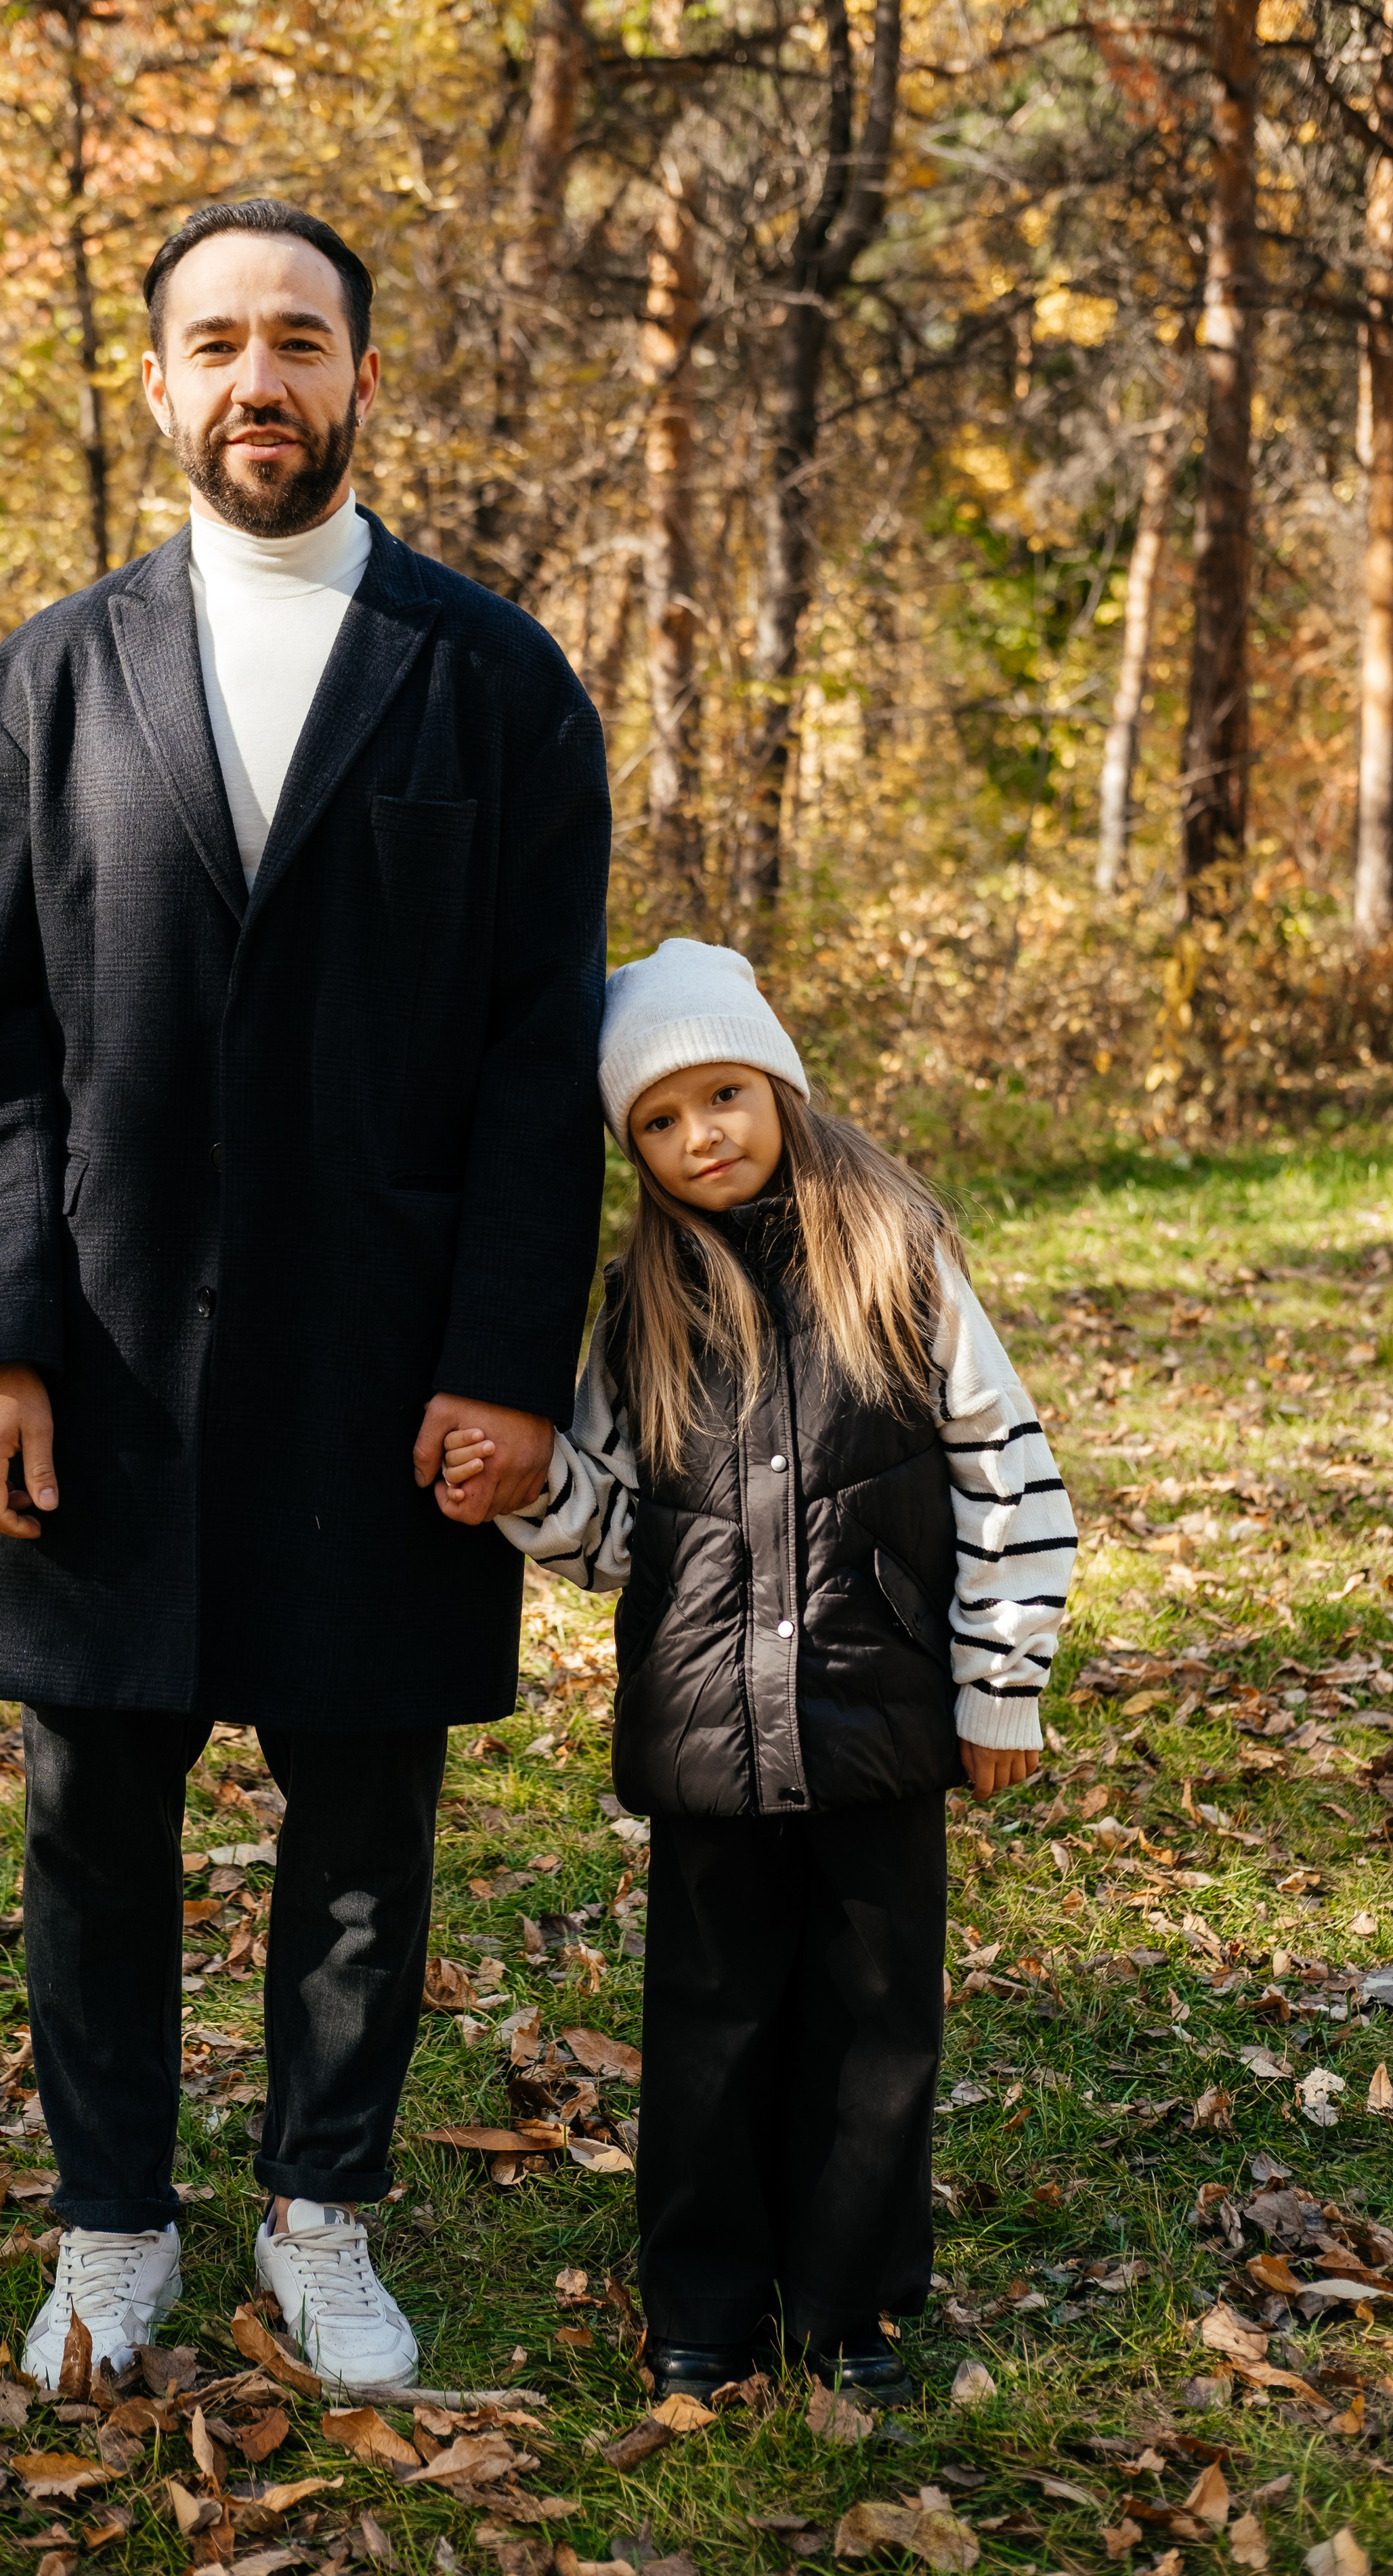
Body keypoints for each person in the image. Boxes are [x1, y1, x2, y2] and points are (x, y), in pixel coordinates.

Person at [0, 198, 609, 2397]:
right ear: (155, 383)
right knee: (90, 1819)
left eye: (297, 339)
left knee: (365, 1827)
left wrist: (510, 1366)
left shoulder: (492, 679)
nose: (257, 380)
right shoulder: (45, 679)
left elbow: (534, 1058)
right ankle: (112, 2226)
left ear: (363, 378)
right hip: (105, 1366)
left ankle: (323, 2214)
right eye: (214, 342)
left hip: (382, 1375)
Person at [440, 938, 1075, 2403]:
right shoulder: (638, 1306)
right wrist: (521, 1491)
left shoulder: (896, 1259)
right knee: (710, 2034)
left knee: (870, 2030)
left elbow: (1007, 1472)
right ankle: (702, 2313)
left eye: (720, 1094)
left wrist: (999, 1686)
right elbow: (609, 1540)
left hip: (882, 1725)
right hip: (709, 1741)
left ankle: (848, 2312)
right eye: (655, 1123)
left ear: (779, 1083)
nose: (695, 1136)